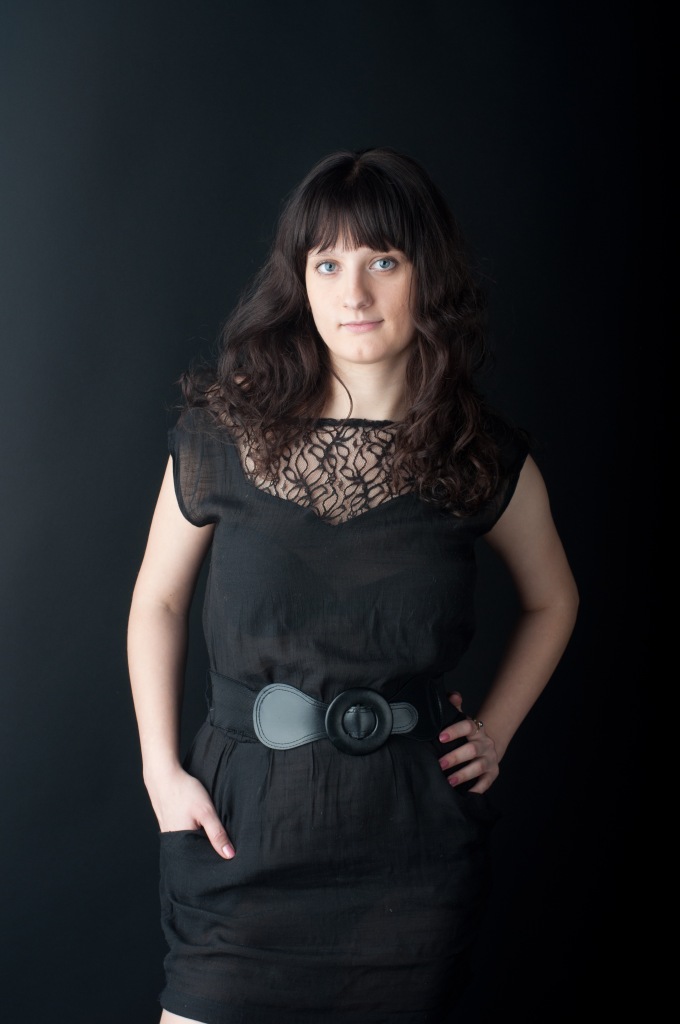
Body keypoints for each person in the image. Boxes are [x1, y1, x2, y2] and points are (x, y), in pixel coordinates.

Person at [127, 146, 579, 1024]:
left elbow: (555, 598)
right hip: (239, 830)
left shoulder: (479, 455)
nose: (354, 293)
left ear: (425, 275)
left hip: (411, 852)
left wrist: (495, 733)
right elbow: (158, 601)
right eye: (327, 264)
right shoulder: (222, 435)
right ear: (300, 281)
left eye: (383, 261)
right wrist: (158, 770)